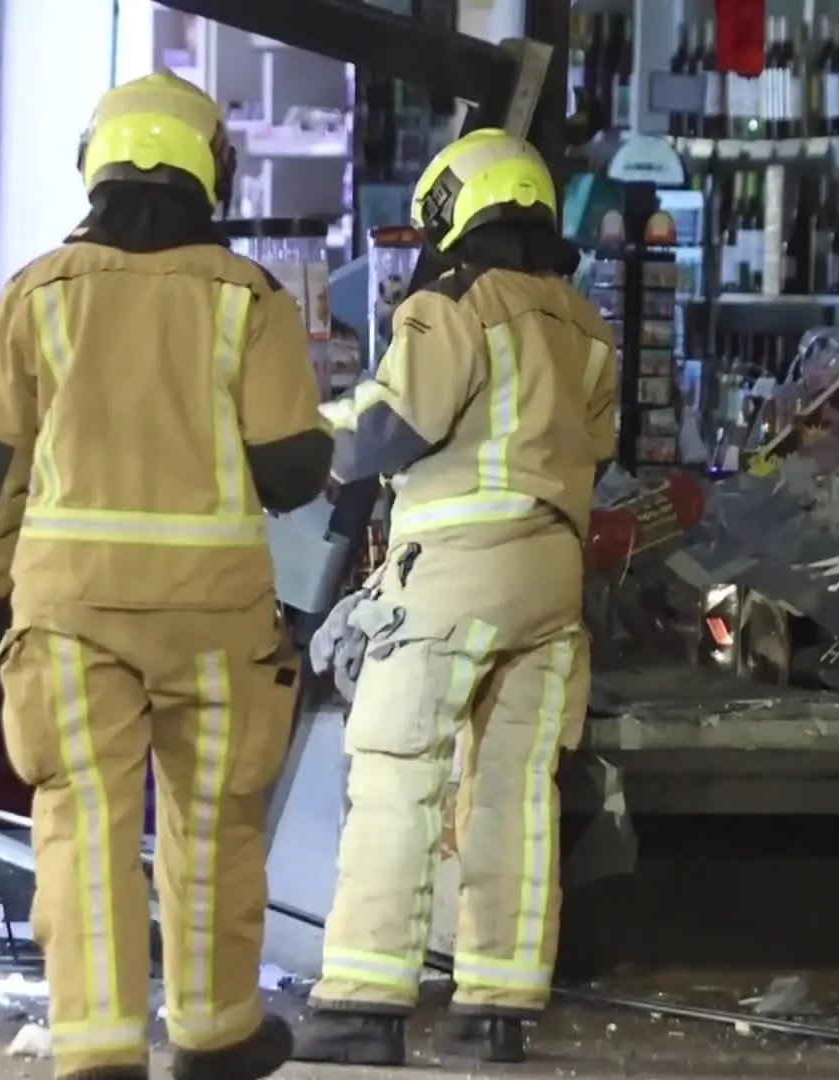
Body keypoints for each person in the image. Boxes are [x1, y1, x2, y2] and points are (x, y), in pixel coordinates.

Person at [0, 71, 332, 1080]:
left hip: (71, 618)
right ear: (214, 172)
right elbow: (293, 468)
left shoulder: (37, 295)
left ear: (94, 167)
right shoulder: (252, 299)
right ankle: (213, 1035)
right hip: (217, 622)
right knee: (214, 820)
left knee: (84, 824)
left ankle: (102, 1050)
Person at [290, 128, 619, 1067]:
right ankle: (498, 1011)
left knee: (399, 776)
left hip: (454, 576)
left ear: (455, 210)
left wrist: (302, 435)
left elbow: (388, 429)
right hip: (553, 584)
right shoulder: (589, 326)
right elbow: (594, 450)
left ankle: (361, 1004)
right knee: (516, 793)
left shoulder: (453, 306)